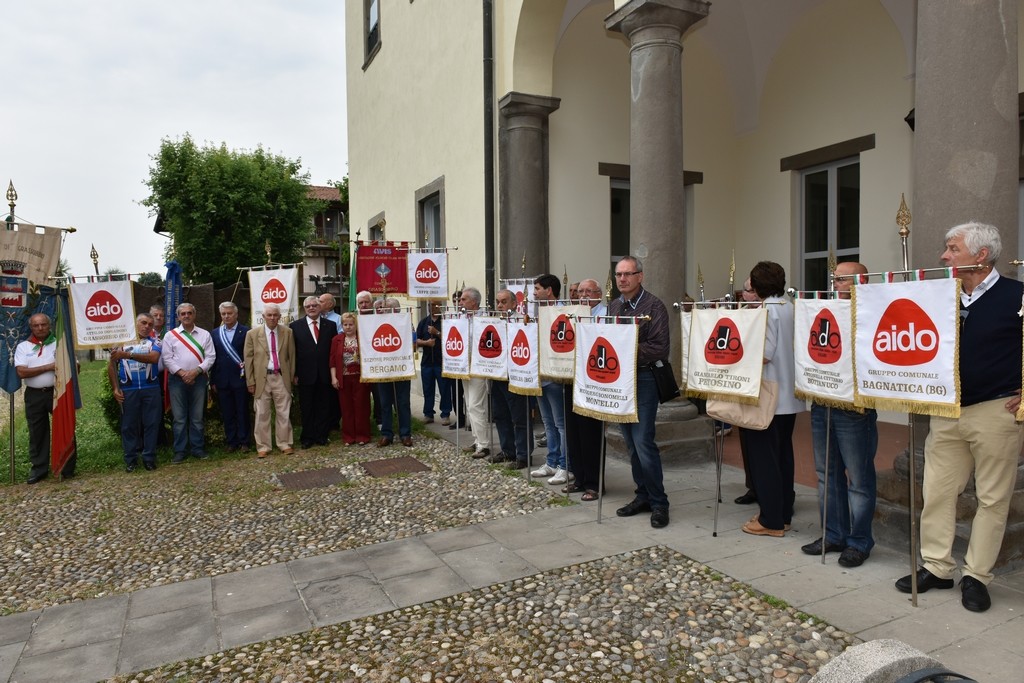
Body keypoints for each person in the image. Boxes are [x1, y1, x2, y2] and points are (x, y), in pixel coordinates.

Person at [895, 222, 1024, 613]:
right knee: (937, 492)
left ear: (980, 256)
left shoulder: (1016, 295)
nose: (943, 256)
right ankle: (937, 566)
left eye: (952, 249)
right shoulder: (940, 296)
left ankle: (977, 576)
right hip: (946, 411)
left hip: (996, 412)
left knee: (992, 498)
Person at [801, 262, 878, 567]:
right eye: (834, 279)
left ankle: (859, 541)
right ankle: (833, 533)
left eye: (843, 279)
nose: (836, 283)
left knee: (858, 479)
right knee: (825, 474)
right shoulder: (826, 308)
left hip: (855, 406)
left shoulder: (872, 312)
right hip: (823, 400)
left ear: (861, 281)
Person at [740, 262, 805, 537]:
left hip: (768, 395)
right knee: (782, 456)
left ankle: (771, 520)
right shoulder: (791, 306)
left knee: (764, 459)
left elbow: (764, 353)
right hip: (789, 394)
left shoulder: (767, 311)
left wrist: (738, 355)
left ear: (757, 285)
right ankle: (783, 512)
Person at [610, 256, 672, 529]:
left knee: (644, 441)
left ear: (640, 276)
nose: (622, 279)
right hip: (620, 379)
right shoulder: (614, 306)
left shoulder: (654, 306)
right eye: (618, 274)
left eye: (628, 274)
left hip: (645, 377)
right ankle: (642, 495)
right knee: (630, 443)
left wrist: (623, 349)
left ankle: (660, 503)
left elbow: (659, 347)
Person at [564, 278, 605, 500]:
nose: (584, 295)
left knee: (590, 434)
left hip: (594, 380)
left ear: (599, 293)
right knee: (573, 432)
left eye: (589, 291)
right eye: (580, 291)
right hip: (571, 378)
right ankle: (578, 478)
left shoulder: (605, 313)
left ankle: (594, 483)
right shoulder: (571, 312)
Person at [161, 302, 216, 463]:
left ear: (194, 315)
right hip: (177, 380)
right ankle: (180, 451)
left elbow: (210, 357)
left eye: (189, 313)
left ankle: (198, 449)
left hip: (198, 379)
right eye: (183, 313)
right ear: (178, 316)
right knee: (179, 418)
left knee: (197, 417)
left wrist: (195, 371)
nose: (186, 316)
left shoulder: (205, 334)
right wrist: (182, 373)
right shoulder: (170, 336)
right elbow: (167, 358)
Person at [109, 313, 162, 472]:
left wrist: (127, 355)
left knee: (151, 424)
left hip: (150, 388)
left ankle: (149, 458)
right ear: (135, 323)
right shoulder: (120, 342)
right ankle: (131, 459)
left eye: (150, 324)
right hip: (128, 389)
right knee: (128, 426)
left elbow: (153, 358)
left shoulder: (156, 341)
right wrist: (115, 388)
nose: (147, 327)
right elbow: (111, 366)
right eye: (143, 323)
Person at [531, 274, 570, 484]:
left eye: (537, 288)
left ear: (549, 290)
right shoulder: (538, 311)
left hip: (556, 375)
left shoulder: (563, 312)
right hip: (541, 373)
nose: (534, 292)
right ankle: (552, 462)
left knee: (560, 423)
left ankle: (565, 465)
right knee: (547, 422)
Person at [487, 289, 532, 468]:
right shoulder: (493, 321)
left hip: (515, 375)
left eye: (504, 302)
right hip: (497, 374)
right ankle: (508, 450)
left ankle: (523, 455)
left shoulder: (522, 321)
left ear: (514, 303)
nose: (500, 305)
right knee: (500, 415)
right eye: (498, 302)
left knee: (519, 416)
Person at [243, 303, 295, 457]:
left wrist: (291, 377)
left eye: (275, 315)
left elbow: (291, 357)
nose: (272, 318)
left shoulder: (288, 332)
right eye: (269, 315)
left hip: (281, 377)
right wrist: (250, 381)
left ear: (279, 316)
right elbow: (248, 359)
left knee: (283, 412)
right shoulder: (252, 334)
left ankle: (284, 443)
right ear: (263, 317)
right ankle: (263, 446)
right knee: (262, 413)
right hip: (261, 379)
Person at [15, 313, 59, 484]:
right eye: (36, 325)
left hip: (56, 392)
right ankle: (39, 469)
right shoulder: (23, 347)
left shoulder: (59, 343)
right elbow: (22, 372)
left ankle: (66, 466)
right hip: (34, 395)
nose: (40, 328)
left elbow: (73, 368)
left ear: (49, 325)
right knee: (37, 432)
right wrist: (49, 366)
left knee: (64, 427)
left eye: (43, 324)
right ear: (31, 327)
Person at [290, 296, 337, 448]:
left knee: (324, 406)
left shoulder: (330, 325)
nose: (311, 308)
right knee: (307, 407)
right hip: (305, 374)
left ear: (320, 307)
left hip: (325, 373)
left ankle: (322, 436)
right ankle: (307, 437)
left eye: (315, 305)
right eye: (308, 306)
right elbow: (293, 352)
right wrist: (295, 373)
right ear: (305, 308)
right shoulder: (295, 326)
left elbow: (333, 351)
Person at [733, 278, 762, 506]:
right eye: (744, 290)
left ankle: (770, 490)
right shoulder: (741, 313)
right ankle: (752, 486)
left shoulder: (769, 312)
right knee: (746, 439)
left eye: (750, 291)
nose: (745, 295)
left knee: (763, 444)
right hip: (743, 383)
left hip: (763, 386)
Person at [210, 302, 250, 452]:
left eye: (229, 313)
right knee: (227, 413)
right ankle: (231, 442)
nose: (226, 316)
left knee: (242, 411)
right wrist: (213, 380)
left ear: (236, 314)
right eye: (223, 314)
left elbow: (249, 356)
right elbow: (213, 358)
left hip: (240, 378)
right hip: (222, 379)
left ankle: (244, 441)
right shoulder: (215, 333)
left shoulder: (246, 331)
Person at [459, 287, 493, 458]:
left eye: (464, 299)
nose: (460, 302)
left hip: (479, 365)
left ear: (474, 301)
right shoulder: (461, 318)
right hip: (464, 365)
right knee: (469, 403)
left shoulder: (484, 318)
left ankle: (484, 444)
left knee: (475, 405)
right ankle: (477, 439)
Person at [376, 297, 413, 447]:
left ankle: (405, 433)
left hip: (401, 367)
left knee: (403, 402)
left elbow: (412, 341)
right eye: (383, 309)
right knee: (384, 402)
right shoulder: (376, 323)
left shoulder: (405, 323)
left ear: (396, 310)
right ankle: (387, 433)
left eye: (388, 308)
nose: (384, 311)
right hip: (382, 368)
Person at [330, 312, 372, 445]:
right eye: (345, 324)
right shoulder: (336, 339)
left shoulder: (363, 338)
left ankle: (362, 436)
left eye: (351, 324)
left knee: (362, 407)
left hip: (360, 378)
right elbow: (332, 361)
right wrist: (333, 378)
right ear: (342, 325)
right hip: (343, 378)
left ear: (356, 325)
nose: (348, 327)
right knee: (346, 408)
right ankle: (348, 437)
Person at [415, 299, 451, 425]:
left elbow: (450, 339)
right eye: (430, 305)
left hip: (441, 362)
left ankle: (445, 413)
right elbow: (416, 340)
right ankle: (428, 413)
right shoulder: (423, 322)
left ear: (440, 306)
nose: (432, 307)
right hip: (426, 362)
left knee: (444, 389)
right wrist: (426, 343)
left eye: (435, 305)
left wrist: (437, 333)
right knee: (428, 389)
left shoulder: (446, 321)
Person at [357, 289, 384, 430]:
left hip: (376, 362)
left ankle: (380, 420)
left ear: (371, 303)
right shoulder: (353, 320)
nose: (364, 305)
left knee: (378, 394)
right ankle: (362, 423)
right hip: (358, 364)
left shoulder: (378, 318)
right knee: (361, 396)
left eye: (366, 302)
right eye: (361, 302)